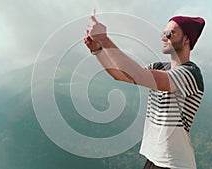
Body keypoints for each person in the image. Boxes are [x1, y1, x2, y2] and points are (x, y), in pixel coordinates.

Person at [83, 10, 205, 169]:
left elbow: (138, 75)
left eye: (170, 33)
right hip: (154, 159)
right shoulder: (159, 67)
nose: (163, 37)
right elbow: (122, 75)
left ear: (186, 39)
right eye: (163, 33)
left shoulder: (190, 74)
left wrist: (104, 39)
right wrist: (98, 50)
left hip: (175, 163)